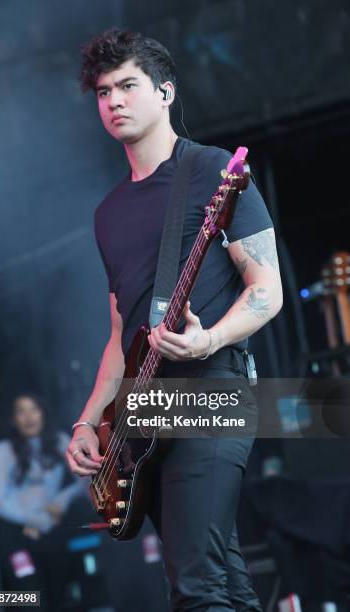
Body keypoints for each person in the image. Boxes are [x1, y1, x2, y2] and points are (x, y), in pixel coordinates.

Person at [66, 27, 283, 611]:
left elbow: (269, 290)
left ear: (165, 92)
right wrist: (87, 422)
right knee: (223, 582)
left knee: (194, 586)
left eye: (128, 85)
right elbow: (120, 336)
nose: (114, 100)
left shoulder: (215, 170)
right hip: (146, 410)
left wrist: (209, 336)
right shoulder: (107, 214)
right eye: (104, 91)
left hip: (214, 389)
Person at [0, 393, 86, 610]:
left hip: (49, 530)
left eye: (33, 409)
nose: (28, 417)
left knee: (60, 596)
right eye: (21, 411)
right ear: (13, 419)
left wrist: (62, 500)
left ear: (43, 413)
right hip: (15, 533)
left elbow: (86, 481)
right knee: (29, 599)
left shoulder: (59, 441)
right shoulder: (3, 450)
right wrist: (35, 519)